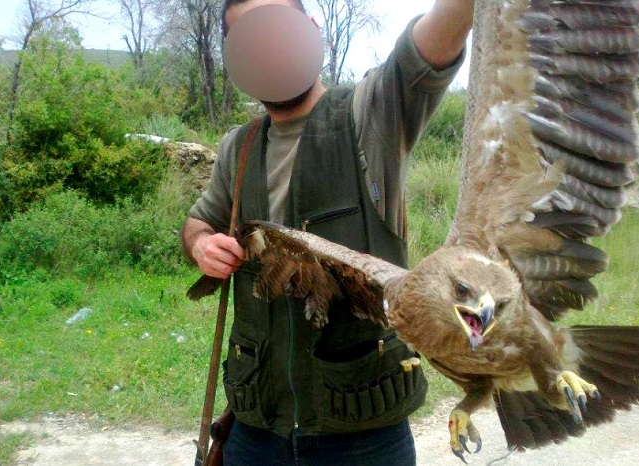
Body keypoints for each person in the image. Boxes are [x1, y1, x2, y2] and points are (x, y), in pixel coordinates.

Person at [181, 0, 474, 464]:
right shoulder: (237, 149)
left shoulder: (371, 116)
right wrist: (200, 243)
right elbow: (200, 220)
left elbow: (428, 50)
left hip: (361, 436)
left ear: (311, 29)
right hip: (255, 433)